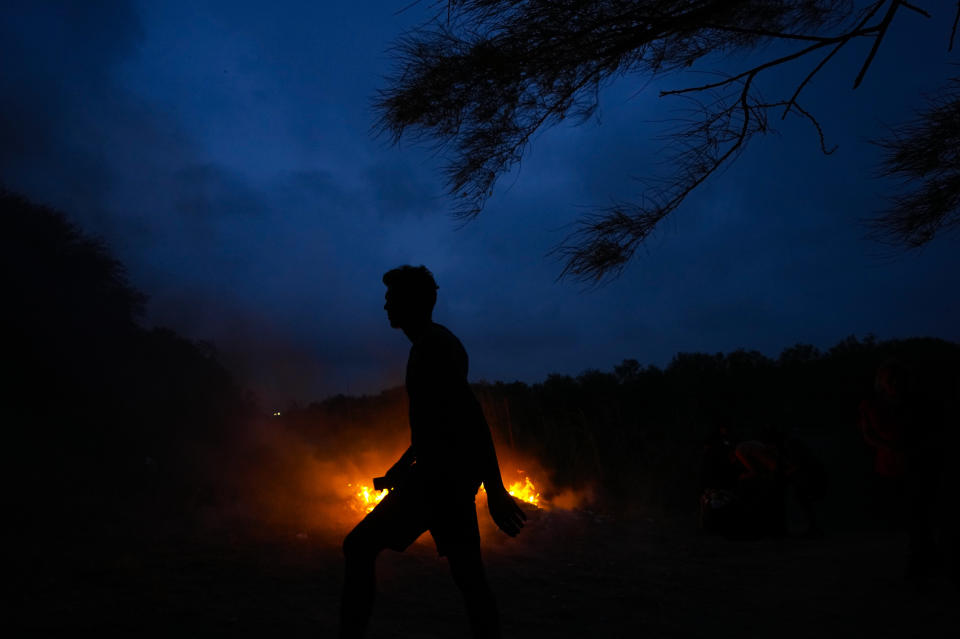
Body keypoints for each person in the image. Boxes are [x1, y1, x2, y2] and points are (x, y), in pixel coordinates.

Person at [339, 265, 526, 639]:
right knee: (469, 577)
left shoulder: (433, 347)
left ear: (414, 302)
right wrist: (399, 468)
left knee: (358, 547)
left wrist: (497, 489)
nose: (386, 306)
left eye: (392, 299)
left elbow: (472, 418)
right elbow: (439, 423)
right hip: (443, 479)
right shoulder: (431, 344)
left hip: (439, 483)